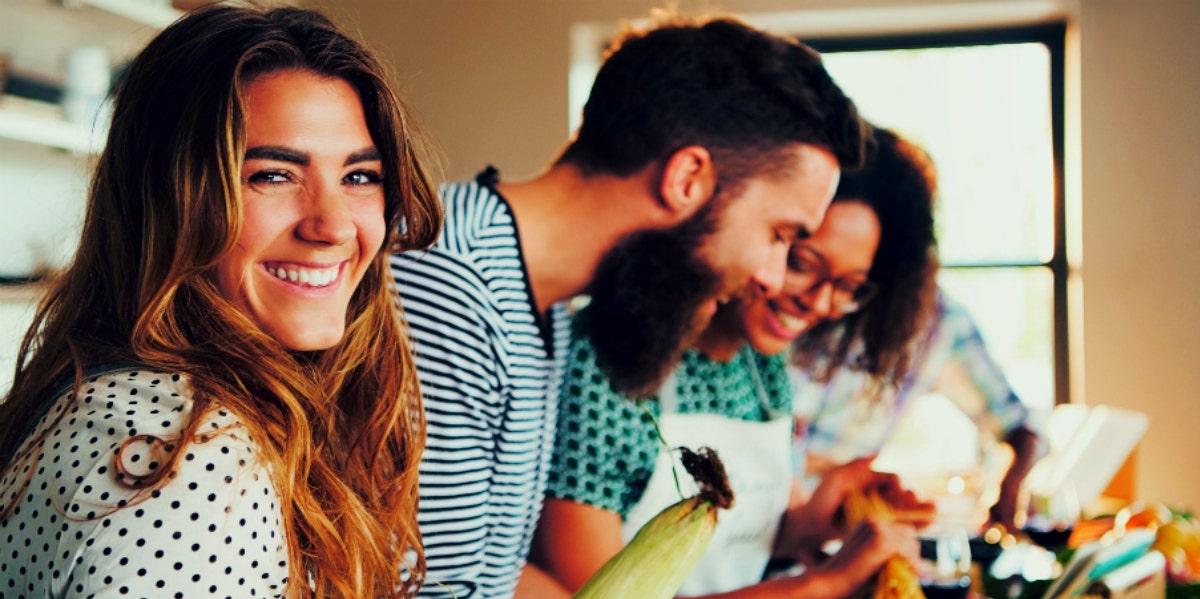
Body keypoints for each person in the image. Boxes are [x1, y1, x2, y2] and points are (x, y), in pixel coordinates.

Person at [390, 12, 867, 599]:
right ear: (687, 177)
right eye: (779, 234)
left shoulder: (538, 302)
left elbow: (487, 574)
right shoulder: (450, 287)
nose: (770, 277)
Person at [0, 5, 443, 597]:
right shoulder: (181, 460)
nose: (334, 226)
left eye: (359, 177)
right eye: (271, 175)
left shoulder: (133, 398)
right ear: (168, 199)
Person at [535, 128, 940, 597]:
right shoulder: (608, 361)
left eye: (848, 286)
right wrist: (823, 584)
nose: (820, 302)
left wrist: (817, 520)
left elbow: (728, 543)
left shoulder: (762, 370)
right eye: (804, 263)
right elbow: (594, 596)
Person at [796, 287, 1044, 532]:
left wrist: (1009, 486)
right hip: (781, 519)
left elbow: (1017, 423)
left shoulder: (941, 320)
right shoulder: (815, 292)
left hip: (823, 527)